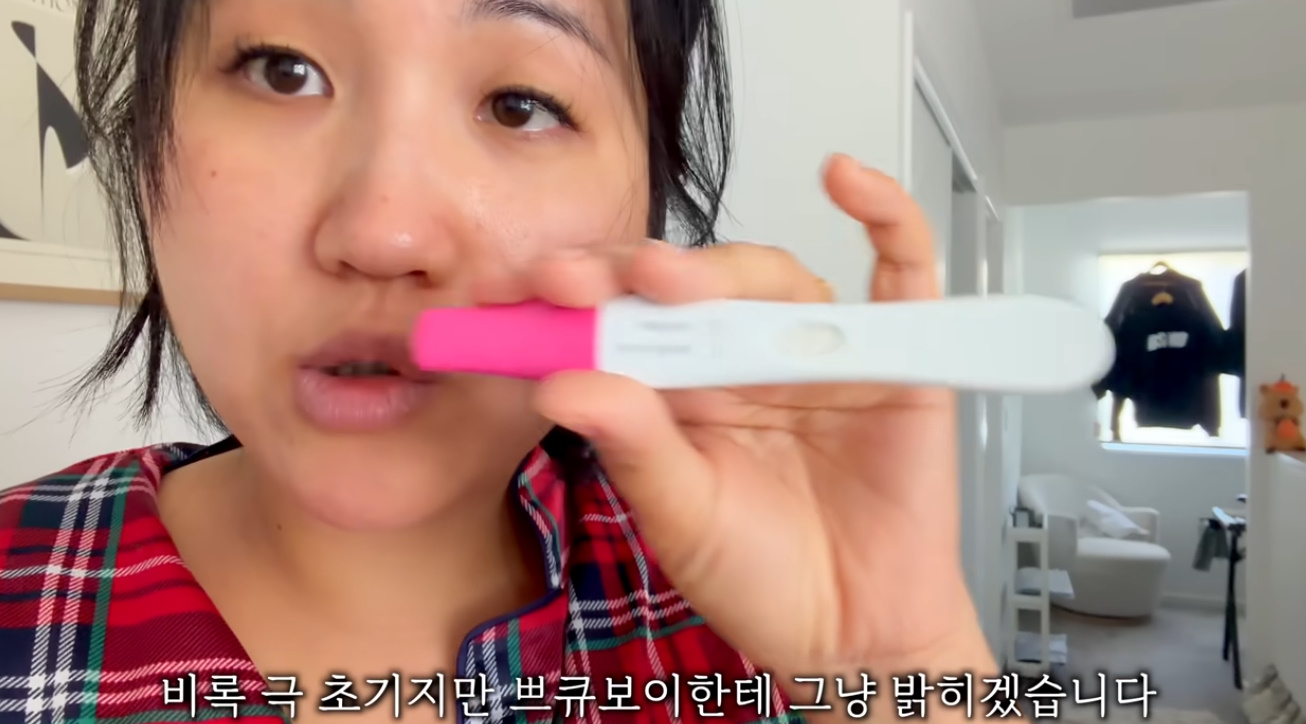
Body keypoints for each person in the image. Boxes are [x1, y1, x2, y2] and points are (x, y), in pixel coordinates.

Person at [0, 0, 996, 722]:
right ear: (146, 139)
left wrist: (900, 667)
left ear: (648, 198)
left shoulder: (745, 628)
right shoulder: (23, 598)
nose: (384, 233)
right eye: (282, 70)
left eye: (519, 104)